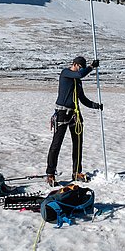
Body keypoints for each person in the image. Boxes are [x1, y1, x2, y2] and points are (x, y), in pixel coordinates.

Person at [46, 56, 102, 186]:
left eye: (82, 67)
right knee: (56, 144)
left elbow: (82, 99)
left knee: (78, 144)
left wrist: (96, 106)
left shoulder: (77, 81)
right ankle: (50, 173)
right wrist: (92, 67)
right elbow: (81, 74)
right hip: (61, 114)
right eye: (80, 66)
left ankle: (77, 172)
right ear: (75, 64)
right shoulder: (66, 73)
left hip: (75, 115)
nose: (80, 69)